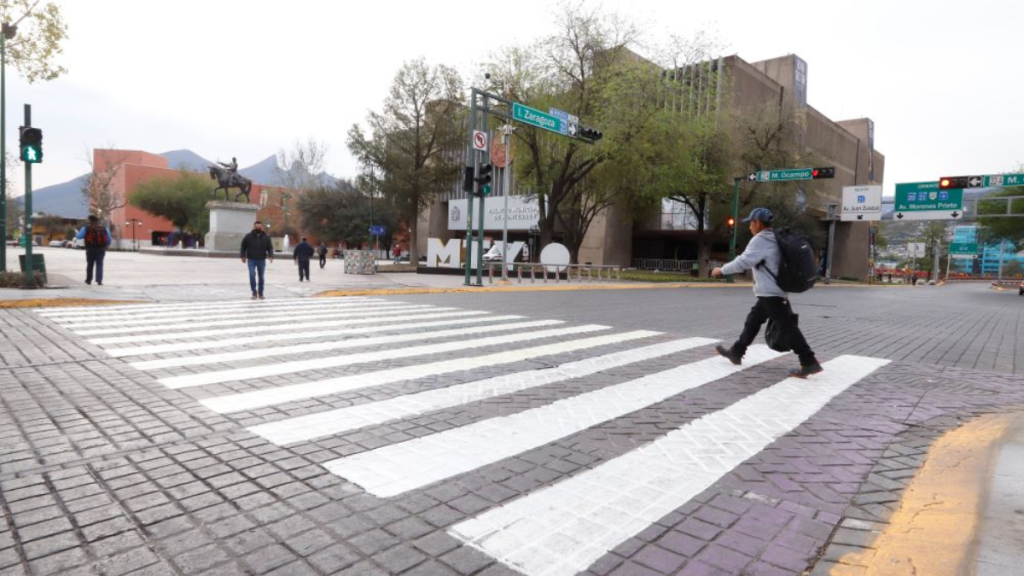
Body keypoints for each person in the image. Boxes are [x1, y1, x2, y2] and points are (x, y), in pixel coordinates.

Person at [711, 207, 823, 378]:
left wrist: (721, 270)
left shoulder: (761, 240)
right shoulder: (774, 238)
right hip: (771, 291)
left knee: (787, 327)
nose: (749, 226)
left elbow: (743, 261)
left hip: (771, 292)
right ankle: (737, 352)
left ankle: (809, 361)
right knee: (753, 320)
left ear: (757, 223)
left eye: (750, 223)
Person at [240, 220, 274, 299]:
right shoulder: (248, 236)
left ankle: (261, 292)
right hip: (251, 259)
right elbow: (243, 246)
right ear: (254, 227)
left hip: (261, 260)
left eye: (259, 226)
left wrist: (271, 256)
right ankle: (254, 292)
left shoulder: (266, 237)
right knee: (252, 275)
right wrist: (243, 256)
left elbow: (270, 248)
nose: (258, 227)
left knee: (261, 276)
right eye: (256, 226)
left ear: (262, 227)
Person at [76, 215, 111, 285]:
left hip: (90, 249)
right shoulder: (104, 228)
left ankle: (88, 280)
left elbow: (79, 237)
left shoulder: (86, 228)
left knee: (90, 264)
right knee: (100, 264)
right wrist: (105, 246)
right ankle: (99, 280)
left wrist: (77, 233)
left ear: (90, 220)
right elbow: (109, 239)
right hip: (101, 249)